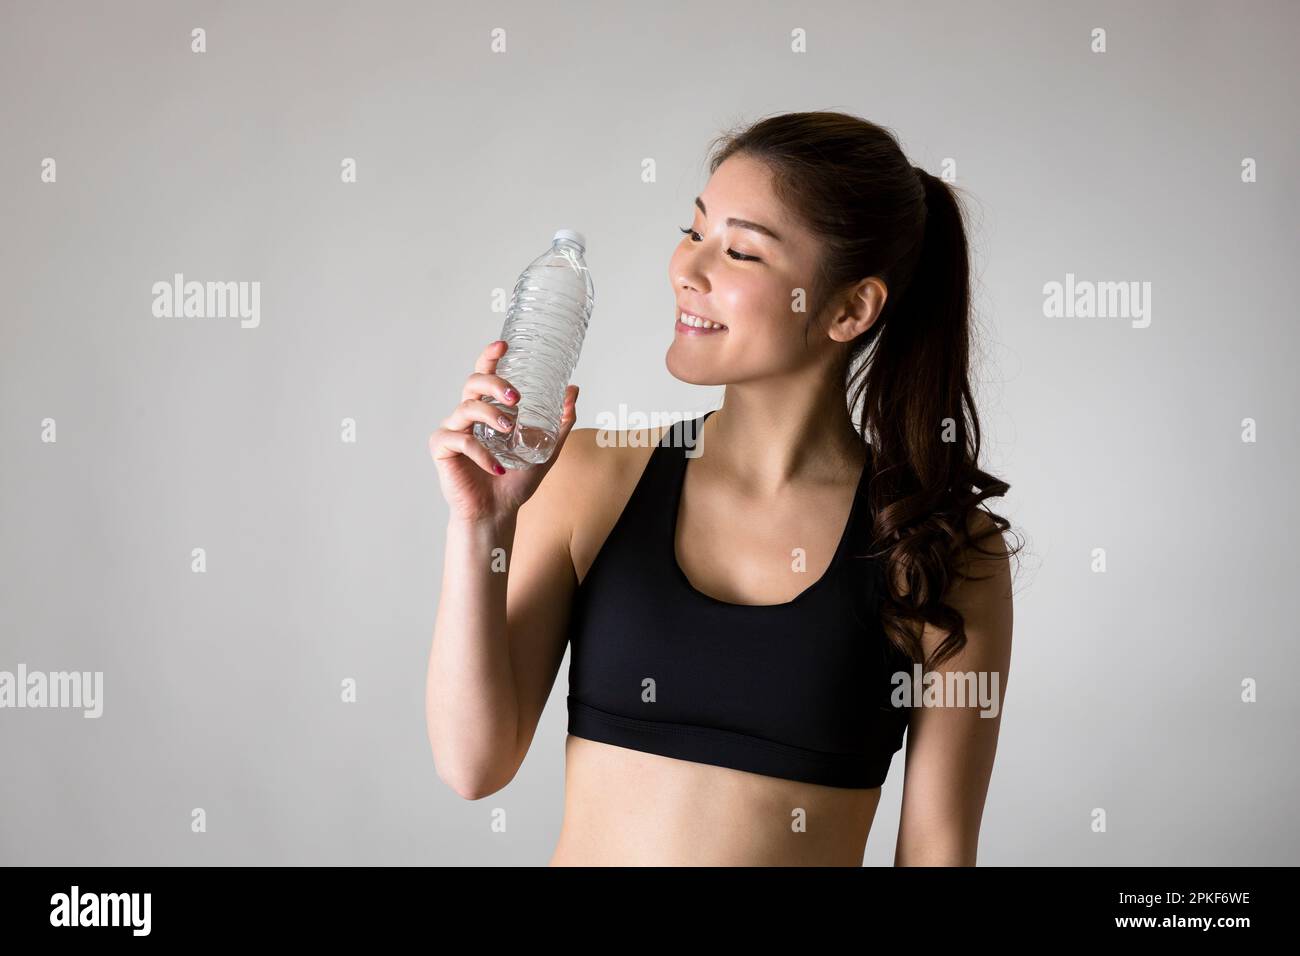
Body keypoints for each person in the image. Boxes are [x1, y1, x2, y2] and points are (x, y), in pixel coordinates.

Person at [426, 110, 1019, 866]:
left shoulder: (938, 546)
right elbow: (473, 765)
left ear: (849, 309)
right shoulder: (590, 478)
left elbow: (937, 853)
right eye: (693, 229)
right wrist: (480, 528)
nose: (687, 268)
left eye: (739, 251)